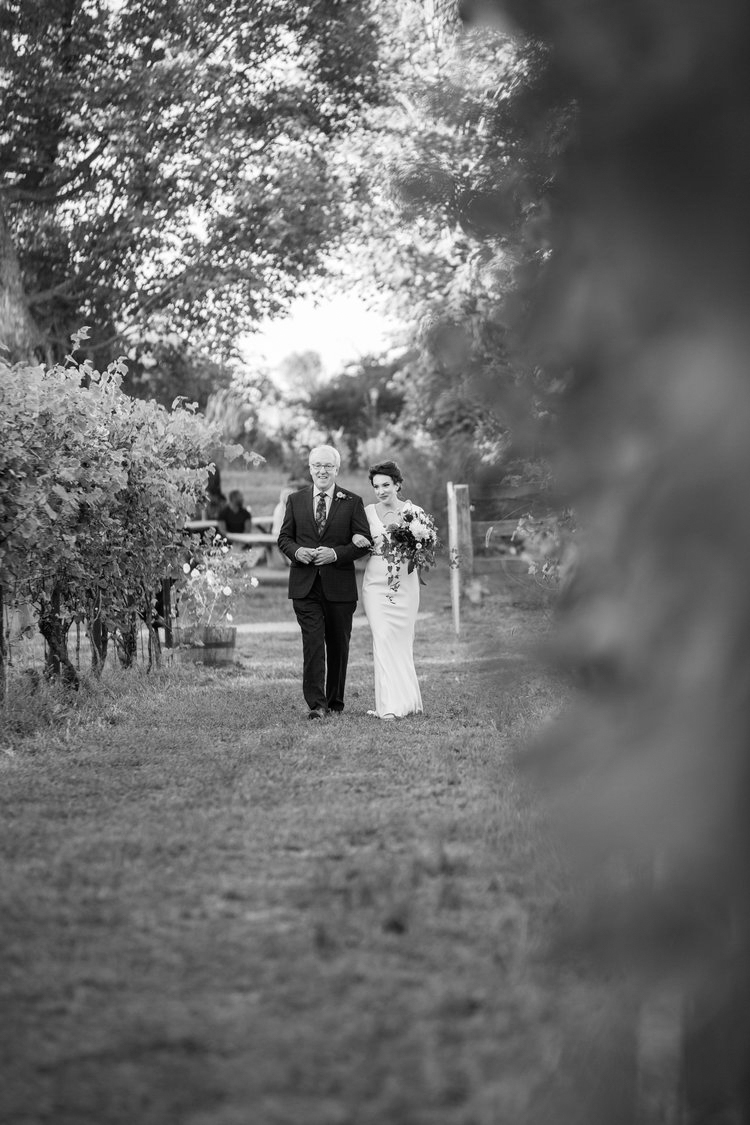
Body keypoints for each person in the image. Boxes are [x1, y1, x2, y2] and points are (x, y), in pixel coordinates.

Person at [277, 445, 372, 719]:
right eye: (317, 465)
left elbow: (364, 543)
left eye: (328, 466)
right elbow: (284, 539)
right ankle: (317, 705)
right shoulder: (295, 500)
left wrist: (335, 554)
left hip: (340, 588)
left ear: (336, 469)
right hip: (305, 586)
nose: (322, 470)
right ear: (310, 468)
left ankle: (335, 703)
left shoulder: (352, 502)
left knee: (338, 646)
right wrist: (296, 551)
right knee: (314, 643)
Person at [354, 460, 423, 721]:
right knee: (382, 637)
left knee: (402, 641)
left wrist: (420, 546)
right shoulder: (367, 511)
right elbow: (356, 537)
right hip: (375, 584)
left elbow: (425, 545)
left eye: (386, 485)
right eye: (376, 486)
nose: (381, 490)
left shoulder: (413, 512)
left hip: (405, 583)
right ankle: (388, 706)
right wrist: (355, 539)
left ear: (397, 485)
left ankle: (407, 701)